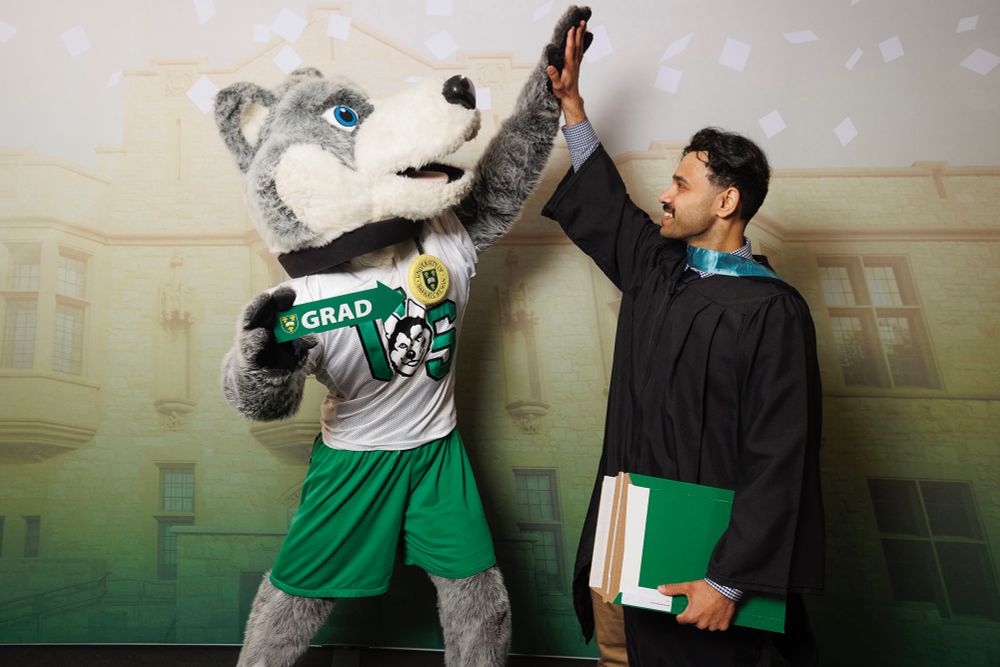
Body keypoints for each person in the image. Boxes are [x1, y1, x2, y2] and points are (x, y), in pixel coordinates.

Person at [542, 21, 824, 666]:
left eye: (681, 185)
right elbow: (609, 206)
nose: (663, 195)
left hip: (703, 565)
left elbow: (781, 458)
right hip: (621, 544)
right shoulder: (658, 269)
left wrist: (729, 581)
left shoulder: (771, 310)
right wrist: (574, 107)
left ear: (726, 201)